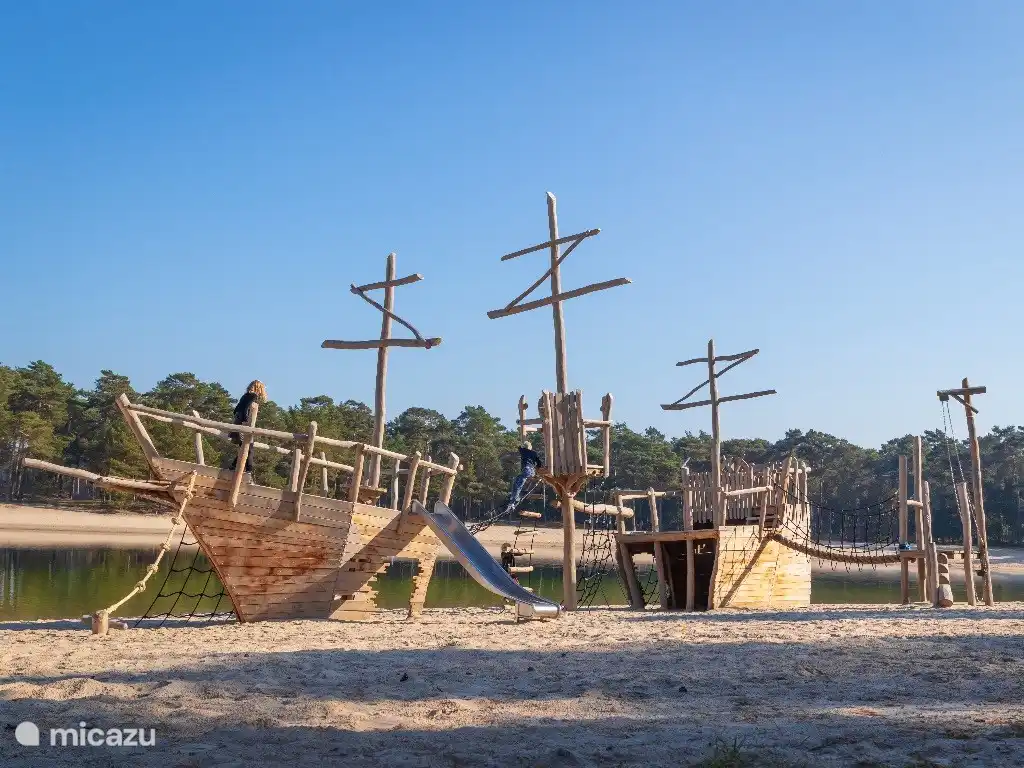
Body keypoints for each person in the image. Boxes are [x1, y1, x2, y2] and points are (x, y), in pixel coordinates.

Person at [229, 380, 267, 477]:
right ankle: (248, 471)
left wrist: (238, 420)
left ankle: (233, 467)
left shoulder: (245, 396)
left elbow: (236, 410)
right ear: (259, 388)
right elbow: (246, 409)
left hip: (238, 424)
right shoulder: (253, 396)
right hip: (244, 425)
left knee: (245, 448)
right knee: (249, 448)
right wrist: (246, 422)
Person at [503, 440, 544, 513]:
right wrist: (538, 471)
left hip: (526, 470)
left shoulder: (523, 451)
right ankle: (523, 492)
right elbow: (539, 464)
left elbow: (519, 447)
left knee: (517, 484)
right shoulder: (534, 453)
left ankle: (513, 501)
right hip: (532, 472)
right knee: (519, 480)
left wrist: (520, 444)